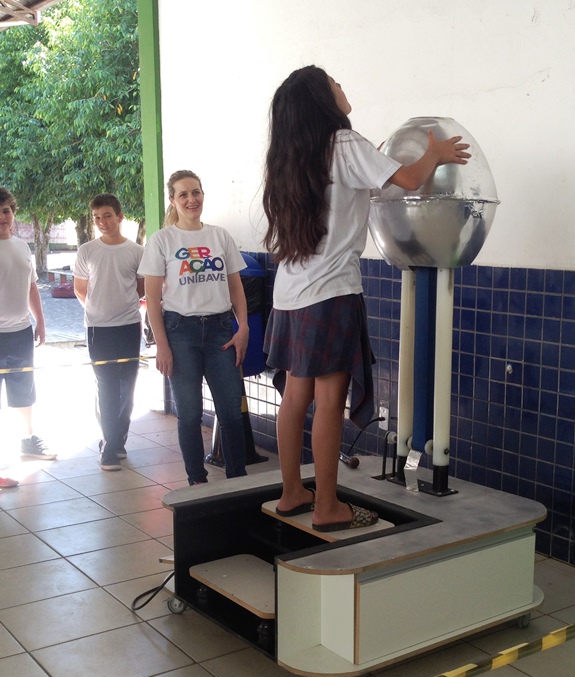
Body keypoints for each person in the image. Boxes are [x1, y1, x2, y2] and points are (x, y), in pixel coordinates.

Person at [261, 65, 470, 532]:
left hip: (290, 293)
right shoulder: (343, 143)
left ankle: (293, 492)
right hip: (331, 292)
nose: (341, 86)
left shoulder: (290, 158)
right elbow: (409, 180)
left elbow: (366, 182)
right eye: (334, 83)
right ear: (321, 99)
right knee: (329, 399)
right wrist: (435, 153)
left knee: (295, 395)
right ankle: (327, 506)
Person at [139, 170, 249, 485]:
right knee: (189, 415)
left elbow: (236, 287)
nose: (191, 199)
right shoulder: (162, 240)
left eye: (196, 192)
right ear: (173, 200)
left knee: (231, 412)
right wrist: (162, 345)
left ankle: (239, 482)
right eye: (184, 194)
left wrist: (243, 327)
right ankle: (197, 483)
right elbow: (152, 298)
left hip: (220, 330)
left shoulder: (220, 236)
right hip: (180, 331)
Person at [73, 194, 144, 471]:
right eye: (97, 218)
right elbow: (80, 289)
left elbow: (141, 288)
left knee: (128, 386)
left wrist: (122, 307)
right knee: (106, 385)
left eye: (107, 216)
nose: (102, 222)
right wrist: (98, 310)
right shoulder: (87, 251)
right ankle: (108, 445)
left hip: (129, 327)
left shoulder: (136, 251)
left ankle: (118, 439)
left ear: (120, 216)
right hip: (98, 329)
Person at [0, 186, 57, 469]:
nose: (2, 217)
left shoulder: (22, 247)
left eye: (6, 211)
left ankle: (28, 441)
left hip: (21, 333)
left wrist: (40, 322)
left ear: (13, 212)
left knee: (24, 390)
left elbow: (31, 286)